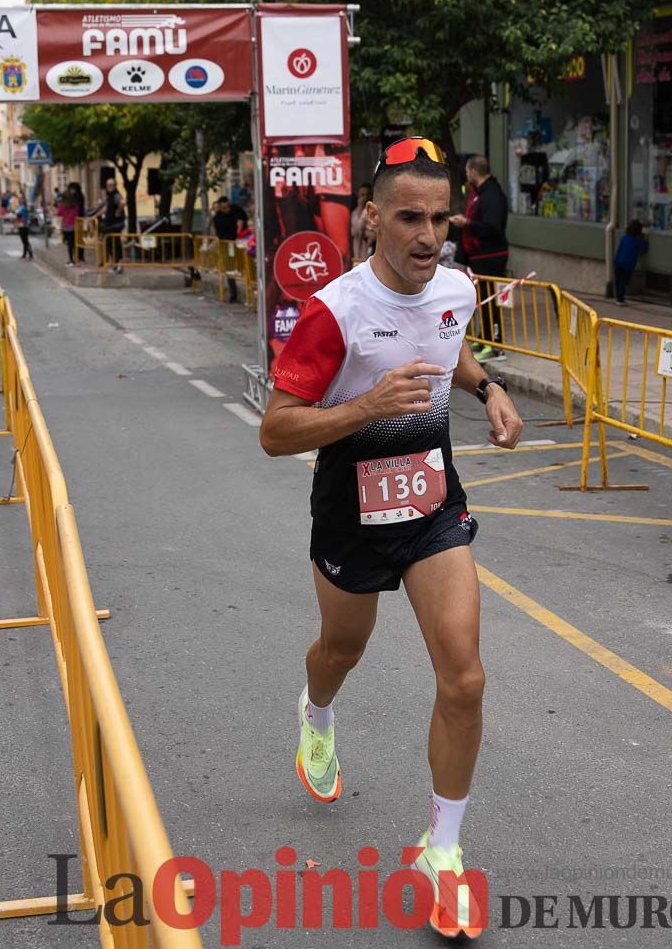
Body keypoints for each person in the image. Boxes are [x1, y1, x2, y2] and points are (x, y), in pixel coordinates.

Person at [260, 136, 523, 939]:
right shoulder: (333, 312)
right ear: (371, 217)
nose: (427, 236)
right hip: (352, 510)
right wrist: (366, 408)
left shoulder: (456, 287)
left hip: (434, 508)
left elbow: (450, 344)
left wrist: (489, 387)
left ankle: (441, 849)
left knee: (466, 680)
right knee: (342, 651)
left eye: (441, 218)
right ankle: (316, 711)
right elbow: (275, 431)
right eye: (409, 216)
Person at [449, 156, 509, 364]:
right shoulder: (478, 193)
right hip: (478, 255)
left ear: (474, 172)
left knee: (491, 301)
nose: (466, 176)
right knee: (482, 300)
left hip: (490, 256)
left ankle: (496, 345)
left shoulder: (492, 195)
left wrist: (467, 223)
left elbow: (493, 228)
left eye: (467, 172)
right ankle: (485, 339)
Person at [212, 196, 248, 302]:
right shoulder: (218, 217)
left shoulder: (237, 210)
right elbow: (218, 233)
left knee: (244, 267)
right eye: (223, 208)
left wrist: (240, 229)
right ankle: (233, 294)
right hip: (226, 245)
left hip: (240, 243)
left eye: (227, 207)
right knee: (230, 269)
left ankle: (248, 292)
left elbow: (244, 222)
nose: (226, 210)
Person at [92, 178, 125, 274]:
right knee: (108, 244)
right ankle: (115, 264)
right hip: (110, 224)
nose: (109, 187)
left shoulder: (116, 195)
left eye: (111, 185)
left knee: (115, 244)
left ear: (115, 186)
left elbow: (123, 202)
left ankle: (118, 264)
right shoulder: (109, 196)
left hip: (116, 224)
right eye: (108, 185)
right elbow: (106, 208)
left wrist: (119, 211)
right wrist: (95, 215)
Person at [614, 219, 648, 305]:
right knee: (624, 282)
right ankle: (620, 299)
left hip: (618, 262)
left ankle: (619, 298)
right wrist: (644, 239)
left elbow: (619, 249)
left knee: (619, 281)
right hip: (628, 265)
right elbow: (644, 248)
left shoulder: (624, 238)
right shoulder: (636, 241)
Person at [350, 183, 373, 260]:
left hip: (370, 254)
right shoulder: (355, 213)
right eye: (362, 195)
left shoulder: (374, 212)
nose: (365, 197)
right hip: (357, 254)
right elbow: (355, 231)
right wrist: (360, 207)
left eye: (367, 194)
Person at [57, 187, 79, 267]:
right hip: (74, 226)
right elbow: (76, 214)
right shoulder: (75, 205)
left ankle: (71, 260)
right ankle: (75, 259)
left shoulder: (62, 205)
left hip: (66, 227)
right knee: (73, 243)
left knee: (68, 244)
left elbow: (58, 213)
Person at [16, 196, 34, 260]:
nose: (19, 201)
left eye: (21, 200)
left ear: (23, 201)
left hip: (24, 226)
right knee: (24, 241)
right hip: (20, 225)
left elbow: (22, 215)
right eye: (19, 200)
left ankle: (30, 254)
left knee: (26, 241)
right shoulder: (20, 207)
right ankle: (24, 255)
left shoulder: (24, 208)